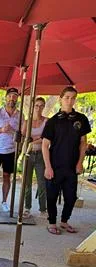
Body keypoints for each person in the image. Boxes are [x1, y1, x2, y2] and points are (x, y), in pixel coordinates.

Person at [42, 86, 91, 235]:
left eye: (73, 97)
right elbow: (45, 145)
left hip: (72, 166)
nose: (70, 101)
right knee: (51, 196)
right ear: (60, 99)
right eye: (67, 97)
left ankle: (64, 221)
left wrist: (80, 162)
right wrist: (47, 167)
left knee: (71, 197)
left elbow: (83, 143)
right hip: (55, 165)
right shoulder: (53, 121)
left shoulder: (81, 119)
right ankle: (52, 222)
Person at [0, 87, 24, 212]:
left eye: (14, 96)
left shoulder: (20, 115)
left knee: (7, 177)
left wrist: (13, 131)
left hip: (10, 151)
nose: (12, 99)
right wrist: (1, 130)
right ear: (6, 98)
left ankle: (4, 201)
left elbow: (21, 134)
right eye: (10, 96)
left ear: (17, 99)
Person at [22, 97, 48, 217]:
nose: (39, 108)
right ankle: (27, 207)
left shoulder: (46, 121)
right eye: (36, 105)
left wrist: (33, 140)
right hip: (28, 154)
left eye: (41, 105)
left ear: (44, 107)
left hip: (41, 155)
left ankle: (43, 209)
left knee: (42, 183)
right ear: (33, 107)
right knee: (26, 183)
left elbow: (47, 138)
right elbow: (23, 137)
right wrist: (34, 140)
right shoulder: (27, 122)